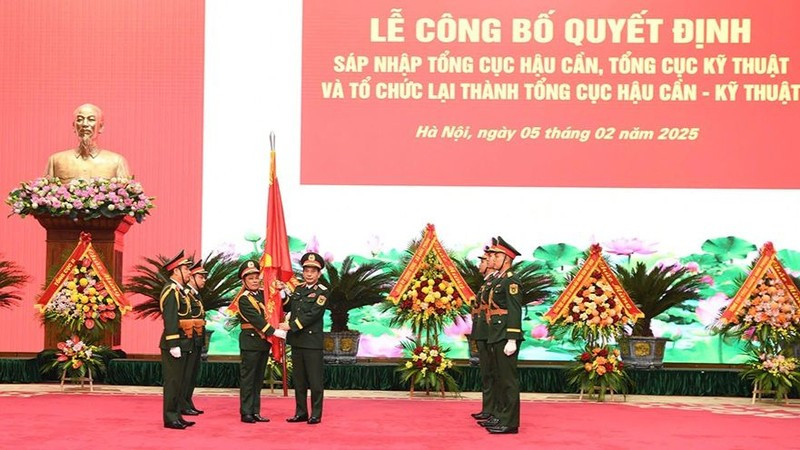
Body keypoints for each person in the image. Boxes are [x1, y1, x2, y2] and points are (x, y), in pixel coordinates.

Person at [235, 260, 287, 424]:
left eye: (256, 277)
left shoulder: (263, 294)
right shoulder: (244, 299)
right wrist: (274, 332)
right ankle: (246, 412)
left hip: (263, 343)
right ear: (244, 281)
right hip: (251, 343)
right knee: (249, 379)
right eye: (250, 278)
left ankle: (255, 411)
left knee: (258, 380)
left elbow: (277, 307)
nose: (255, 280)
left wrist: (282, 293)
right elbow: (256, 320)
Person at [481, 236, 523, 435]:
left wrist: (512, 338)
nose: (493, 258)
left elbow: (514, 310)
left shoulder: (511, 280)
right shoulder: (500, 279)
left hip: (505, 334)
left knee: (508, 380)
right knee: (499, 378)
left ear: (506, 258)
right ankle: (500, 416)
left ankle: (510, 423)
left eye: (496, 255)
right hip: (496, 333)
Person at [281, 252, 327, 425]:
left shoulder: (322, 292)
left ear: (318, 274)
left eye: (313, 271)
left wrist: (291, 326)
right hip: (297, 341)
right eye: (306, 270)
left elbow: (313, 315)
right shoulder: (299, 289)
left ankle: (316, 414)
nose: (309, 274)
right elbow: (289, 307)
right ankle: (301, 412)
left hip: (312, 342)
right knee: (299, 381)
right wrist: (283, 294)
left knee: (315, 381)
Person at [44, 104, 131, 182]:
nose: (85, 124)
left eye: (91, 119)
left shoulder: (116, 162)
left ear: (101, 127)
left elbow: (127, 195)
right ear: (74, 126)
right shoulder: (56, 160)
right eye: (80, 119)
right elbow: (46, 195)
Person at [159, 250, 194, 430]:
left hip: (184, 342)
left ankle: (177, 415)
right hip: (174, 343)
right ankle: (170, 417)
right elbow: (170, 318)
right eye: (186, 269)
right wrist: (173, 343)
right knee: (173, 382)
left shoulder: (181, 291)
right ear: (176, 271)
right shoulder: (171, 290)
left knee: (179, 382)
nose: (189, 273)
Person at [470, 240, 498, 423]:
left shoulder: (495, 283)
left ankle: (494, 411)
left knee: (492, 374)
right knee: (486, 375)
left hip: (489, 334)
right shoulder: (486, 284)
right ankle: (488, 409)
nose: (481, 264)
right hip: (482, 333)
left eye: (483, 260)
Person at [180, 260, 208, 416]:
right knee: (187, 373)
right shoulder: (186, 294)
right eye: (201, 277)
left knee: (192, 374)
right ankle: (183, 403)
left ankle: (188, 401)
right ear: (192, 277)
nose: (204, 280)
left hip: (197, 338)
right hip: (189, 339)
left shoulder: (195, 295)